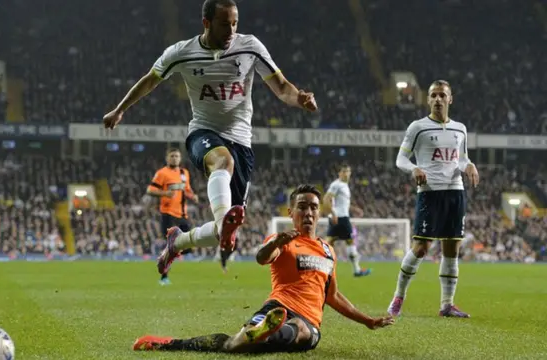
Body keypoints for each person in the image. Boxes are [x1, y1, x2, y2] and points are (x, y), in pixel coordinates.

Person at [103, 0, 318, 276]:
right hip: (203, 133)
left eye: (235, 23)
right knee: (222, 164)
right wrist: (120, 109)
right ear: (206, 23)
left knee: (222, 233)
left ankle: (178, 241)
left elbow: (281, 87)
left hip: (242, 142)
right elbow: (150, 79)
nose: (231, 29)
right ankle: (223, 219)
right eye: (224, 23)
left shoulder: (250, 46)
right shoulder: (182, 53)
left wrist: (299, 98)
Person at [132, 185, 394, 354]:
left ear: (320, 213)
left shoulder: (328, 250)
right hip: (277, 307)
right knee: (235, 345)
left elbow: (332, 296)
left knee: (299, 332)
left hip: (308, 321)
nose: (309, 212)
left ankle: (266, 332)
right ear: (291, 212)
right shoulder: (281, 240)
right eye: (302, 207)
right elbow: (262, 257)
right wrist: (279, 242)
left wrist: (367, 321)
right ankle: (170, 343)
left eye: (314, 207)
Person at [388, 80, 480, 318]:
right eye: (433, 95)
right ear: (428, 99)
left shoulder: (460, 128)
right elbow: (400, 159)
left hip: (455, 192)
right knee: (421, 248)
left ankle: (447, 305)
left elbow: (461, 158)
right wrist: (414, 169)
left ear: (450, 99)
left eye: (442, 95)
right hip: (430, 193)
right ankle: (398, 297)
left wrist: (469, 165)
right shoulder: (417, 127)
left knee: (452, 249)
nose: (438, 99)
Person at [146, 148, 199, 285]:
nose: (174, 158)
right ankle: (164, 275)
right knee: (171, 245)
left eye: (177, 156)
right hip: (168, 214)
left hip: (182, 214)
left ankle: (170, 258)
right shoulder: (162, 173)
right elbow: (150, 190)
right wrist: (164, 194)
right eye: (172, 156)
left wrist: (193, 196)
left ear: (180, 158)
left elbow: (187, 190)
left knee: (187, 245)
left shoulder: (184, 173)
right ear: (167, 158)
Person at [322, 164, 371, 277]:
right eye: (344, 171)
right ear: (339, 173)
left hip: (340, 217)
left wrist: (354, 209)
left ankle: (320, 269)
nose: (346, 173)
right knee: (348, 241)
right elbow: (326, 198)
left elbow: (342, 203)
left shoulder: (344, 185)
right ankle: (356, 270)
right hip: (341, 218)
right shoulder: (336, 184)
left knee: (330, 243)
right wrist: (332, 213)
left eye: (348, 171)